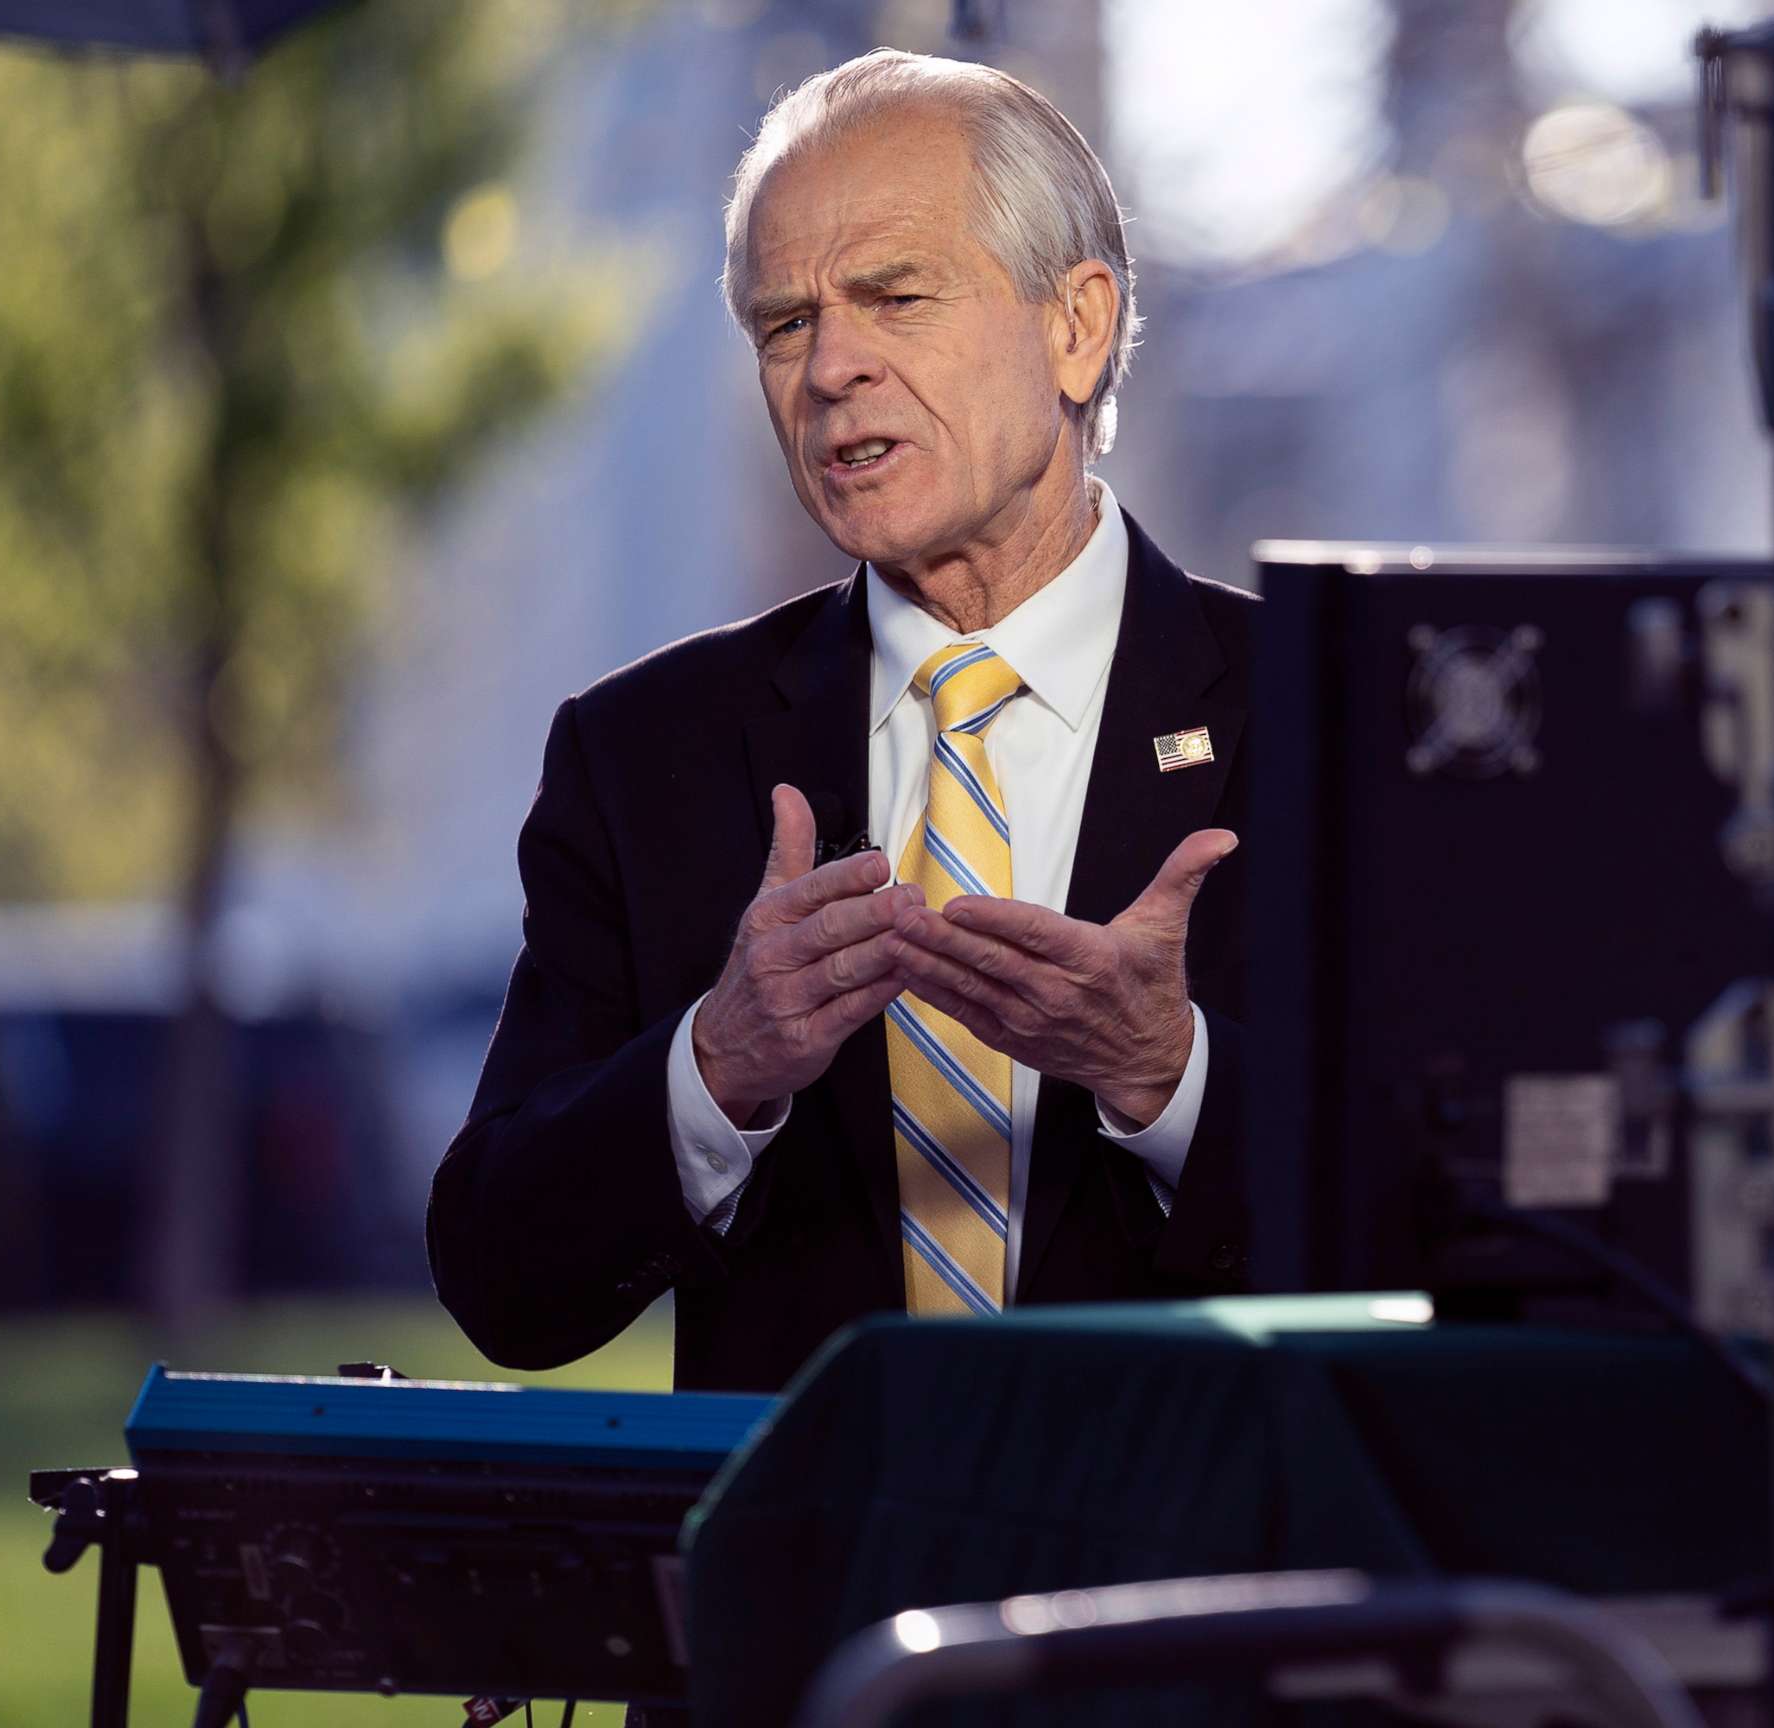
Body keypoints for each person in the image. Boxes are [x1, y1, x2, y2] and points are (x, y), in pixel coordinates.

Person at [427, 49, 1253, 1393]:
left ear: (1076, 327)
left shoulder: (1323, 722)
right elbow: (501, 1279)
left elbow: (1456, 1240)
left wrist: (1170, 1079)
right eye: (783, 324)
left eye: (894, 297)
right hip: (816, 1588)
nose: (829, 370)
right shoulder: (647, 758)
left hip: (1207, 1578)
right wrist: (716, 1067)